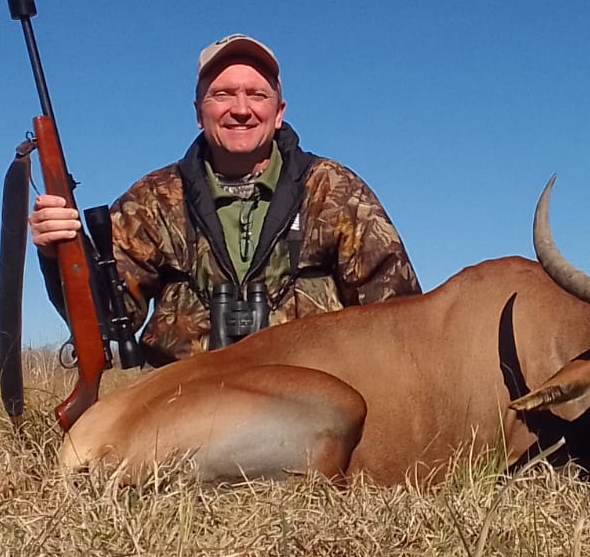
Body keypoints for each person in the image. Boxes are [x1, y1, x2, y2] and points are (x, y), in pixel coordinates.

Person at [30, 34, 421, 364]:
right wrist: (59, 254)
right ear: (199, 113)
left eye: (256, 95)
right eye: (222, 95)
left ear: (278, 112)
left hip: (315, 394)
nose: (241, 109)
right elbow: (108, 320)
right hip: (185, 401)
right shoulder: (153, 200)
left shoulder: (333, 189)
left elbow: (399, 321)